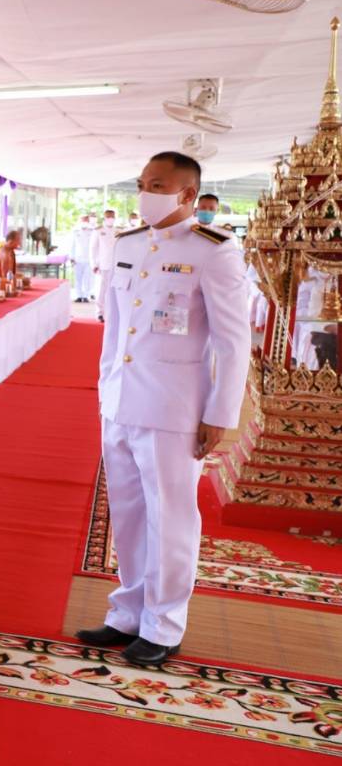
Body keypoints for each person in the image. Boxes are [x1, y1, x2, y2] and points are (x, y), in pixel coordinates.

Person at [76, 151, 250, 668]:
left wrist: (220, 413)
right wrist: (105, 392)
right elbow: (114, 329)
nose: (144, 192)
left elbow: (232, 340)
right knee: (126, 513)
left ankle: (164, 624)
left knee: (170, 517)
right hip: (122, 402)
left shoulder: (214, 251)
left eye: (156, 184)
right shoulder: (128, 244)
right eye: (142, 183)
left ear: (187, 195)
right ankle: (128, 612)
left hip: (175, 410)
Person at [94, 209, 120, 320]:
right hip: (103, 264)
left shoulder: (119, 230)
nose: (110, 219)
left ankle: (112, 312)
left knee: (114, 289)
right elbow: (93, 249)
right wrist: (94, 264)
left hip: (116, 265)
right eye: (108, 216)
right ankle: (100, 312)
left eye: (112, 217)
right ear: (104, 218)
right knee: (102, 289)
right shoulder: (98, 231)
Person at [69, 213, 97, 302]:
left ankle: (85, 296)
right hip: (77, 259)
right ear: (80, 221)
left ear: (88, 221)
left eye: (86, 220)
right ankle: (78, 295)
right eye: (83, 220)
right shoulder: (75, 231)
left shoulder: (93, 231)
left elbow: (95, 246)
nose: (84, 222)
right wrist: (71, 257)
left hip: (89, 259)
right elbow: (72, 245)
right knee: (78, 278)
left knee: (87, 278)